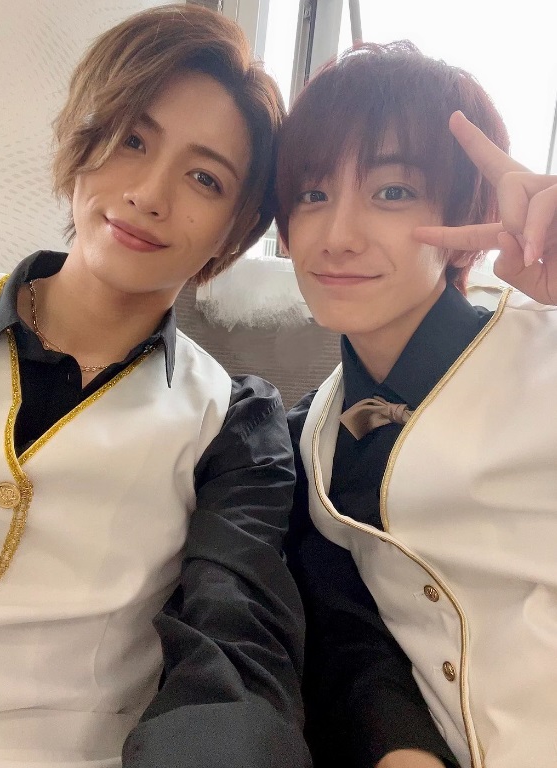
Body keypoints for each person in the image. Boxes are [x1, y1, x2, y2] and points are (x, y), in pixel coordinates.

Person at [0, 5, 311, 767]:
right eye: (133, 140)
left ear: (236, 226)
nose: (149, 193)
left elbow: (233, 659)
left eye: (204, 178)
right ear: (85, 135)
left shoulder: (232, 423)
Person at [278, 40, 557, 768]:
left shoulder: (542, 353)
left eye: (392, 192)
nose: (337, 237)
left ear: (468, 218)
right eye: (312, 194)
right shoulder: (307, 438)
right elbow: (349, 638)